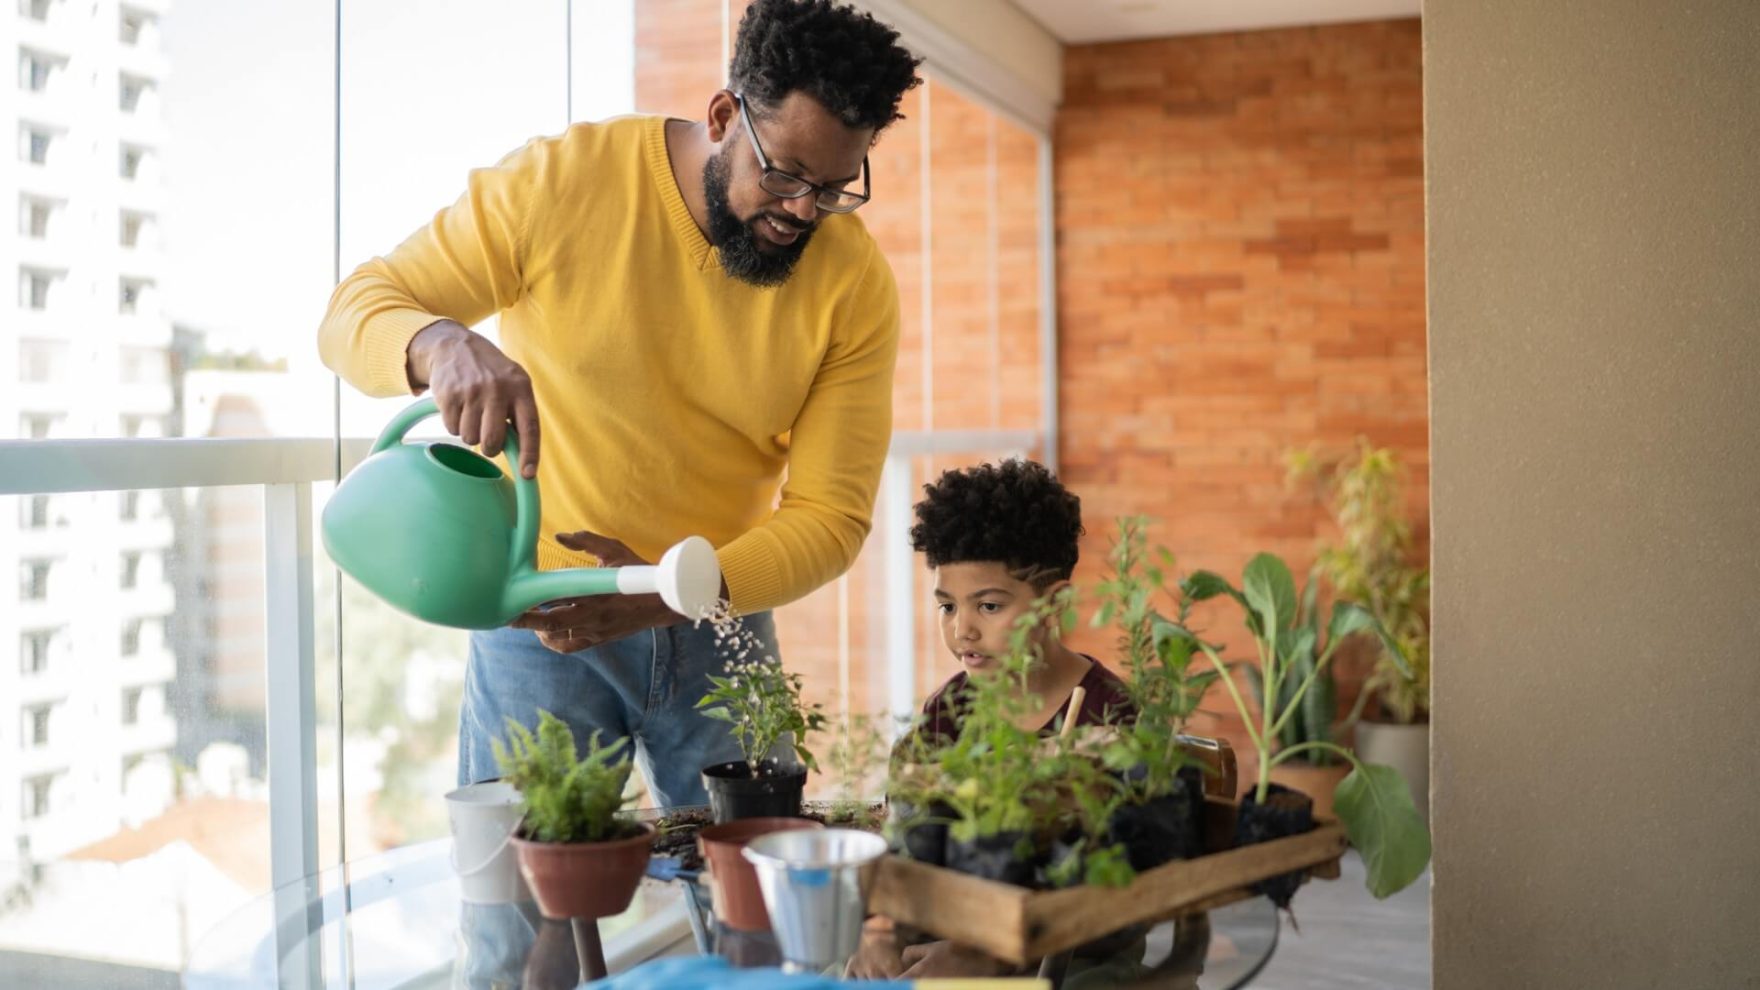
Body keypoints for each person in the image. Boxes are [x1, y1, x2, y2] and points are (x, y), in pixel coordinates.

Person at [317, 0, 921, 806]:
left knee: (754, 911)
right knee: (516, 919)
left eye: (835, 188)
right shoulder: (563, 183)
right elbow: (353, 310)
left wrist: (668, 594)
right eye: (783, 175)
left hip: (718, 618)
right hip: (542, 617)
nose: (804, 211)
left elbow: (832, 518)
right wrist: (438, 343)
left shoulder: (853, 283)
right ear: (721, 116)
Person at [849, 459, 1140, 980]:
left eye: (987, 606)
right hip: (953, 931)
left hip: (1075, 955)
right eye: (946, 607)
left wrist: (987, 956)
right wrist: (881, 931)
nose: (962, 630)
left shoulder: (1107, 717)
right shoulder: (948, 710)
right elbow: (909, 849)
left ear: (1055, 605)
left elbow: (1108, 895)